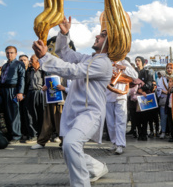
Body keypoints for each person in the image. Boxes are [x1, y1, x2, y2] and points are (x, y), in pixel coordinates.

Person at [32, 15, 116, 186]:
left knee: (71, 144)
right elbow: (65, 53)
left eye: (101, 35)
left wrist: (45, 57)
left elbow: (72, 70)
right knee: (69, 148)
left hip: (90, 112)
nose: (97, 36)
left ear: (108, 41)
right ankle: (98, 168)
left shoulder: (104, 63)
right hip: (75, 111)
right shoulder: (90, 58)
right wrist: (64, 34)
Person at [31, 36, 75, 150]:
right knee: (47, 122)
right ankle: (41, 142)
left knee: (62, 122)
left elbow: (74, 88)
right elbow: (44, 84)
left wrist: (63, 88)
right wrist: (43, 89)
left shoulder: (69, 68)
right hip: (49, 99)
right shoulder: (48, 69)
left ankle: (64, 142)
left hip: (62, 101)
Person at [105, 57, 137, 154]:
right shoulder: (106, 61)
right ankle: (114, 142)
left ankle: (120, 144)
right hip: (108, 95)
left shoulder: (123, 61)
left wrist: (124, 68)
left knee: (120, 121)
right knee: (110, 122)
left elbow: (135, 75)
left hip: (121, 96)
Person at [0, 46, 25, 142]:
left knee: (14, 114)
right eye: (8, 53)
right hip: (3, 90)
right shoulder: (5, 65)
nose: (9, 54)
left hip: (13, 90)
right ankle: (10, 134)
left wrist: (20, 92)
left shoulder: (19, 64)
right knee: (6, 113)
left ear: (16, 54)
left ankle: (16, 135)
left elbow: (22, 78)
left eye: (11, 52)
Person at [23, 54, 45, 143]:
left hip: (41, 93)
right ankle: (33, 135)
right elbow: (25, 83)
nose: (31, 61)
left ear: (38, 60)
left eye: (32, 59)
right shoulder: (28, 71)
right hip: (30, 93)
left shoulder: (44, 70)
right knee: (30, 115)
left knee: (42, 114)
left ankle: (43, 135)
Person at [135, 56, 154, 141]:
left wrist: (142, 90)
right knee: (137, 117)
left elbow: (150, 83)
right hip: (135, 98)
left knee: (145, 117)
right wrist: (137, 90)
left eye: (138, 60)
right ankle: (139, 133)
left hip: (145, 97)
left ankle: (144, 133)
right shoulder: (134, 72)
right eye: (136, 61)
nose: (137, 62)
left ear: (142, 62)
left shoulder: (147, 72)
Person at [157, 63, 173, 139]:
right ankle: (163, 131)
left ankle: (172, 133)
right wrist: (164, 91)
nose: (169, 69)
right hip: (164, 99)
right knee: (163, 117)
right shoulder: (162, 79)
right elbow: (158, 88)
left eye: (170, 68)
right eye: (168, 68)